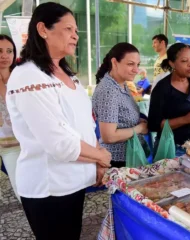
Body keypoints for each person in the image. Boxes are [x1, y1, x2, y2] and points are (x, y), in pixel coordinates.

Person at [6, 3, 111, 240]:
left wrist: (96, 162)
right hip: (49, 187)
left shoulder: (66, 73)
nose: (76, 35)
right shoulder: (28, 75)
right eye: (69, 28)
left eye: (76, 30)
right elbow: (58, 143)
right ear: (43, 29)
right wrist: (101, 156)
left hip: (74, 181)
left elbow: (84, 122)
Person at [148, 43, 190, 156]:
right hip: (172, 149)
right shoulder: (162, 88)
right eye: (184, 61)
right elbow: (154, 124)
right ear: (172, 63)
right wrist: (185, 119)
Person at [92, 42, 148, 168]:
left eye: (137, 65)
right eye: (130, 64)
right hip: (117, 160)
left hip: (129, 155)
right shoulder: (108, 90)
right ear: (114, 62)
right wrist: (139, 128)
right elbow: (109, 136)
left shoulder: (121, 84)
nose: (136, 70)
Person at [0, 35, 20, 202]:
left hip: (18, 143)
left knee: (22, 190)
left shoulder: (20, 78)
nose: (4, 55)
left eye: (9, 51)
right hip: (4, 142)